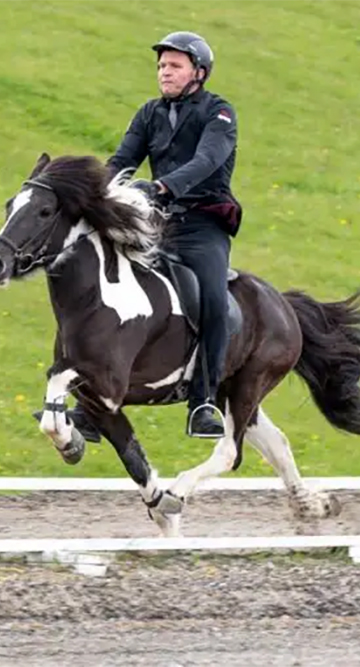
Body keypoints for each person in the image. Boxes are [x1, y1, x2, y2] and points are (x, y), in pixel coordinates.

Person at [42, 30, 243, 440]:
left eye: (174, 66)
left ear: (198, 73)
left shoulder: (219, 114)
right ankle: (90, 402)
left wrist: (163, 186)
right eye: (161, 66)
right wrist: (97, 193)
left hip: (203, 226)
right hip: (156, 223)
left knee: (211, 299)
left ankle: (203, 401)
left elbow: (207, 160)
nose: (164, 73)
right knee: (107, 290)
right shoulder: (149, 113)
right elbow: (122, 160)